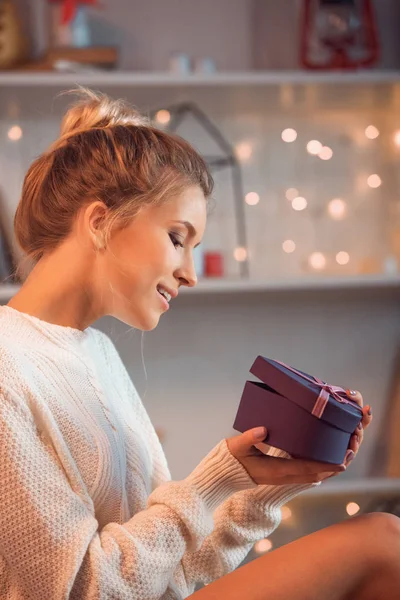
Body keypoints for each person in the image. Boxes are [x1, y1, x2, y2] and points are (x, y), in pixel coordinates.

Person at [0, 87, 393, 600]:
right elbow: (82, 588)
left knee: (385, 539)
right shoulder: (8, 367)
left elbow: (180, 573)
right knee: (381, 541)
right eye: (176, 238)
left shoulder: (97, 354)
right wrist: (212, 480)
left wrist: (264, 482)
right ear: (99, 222)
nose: (190, 274)